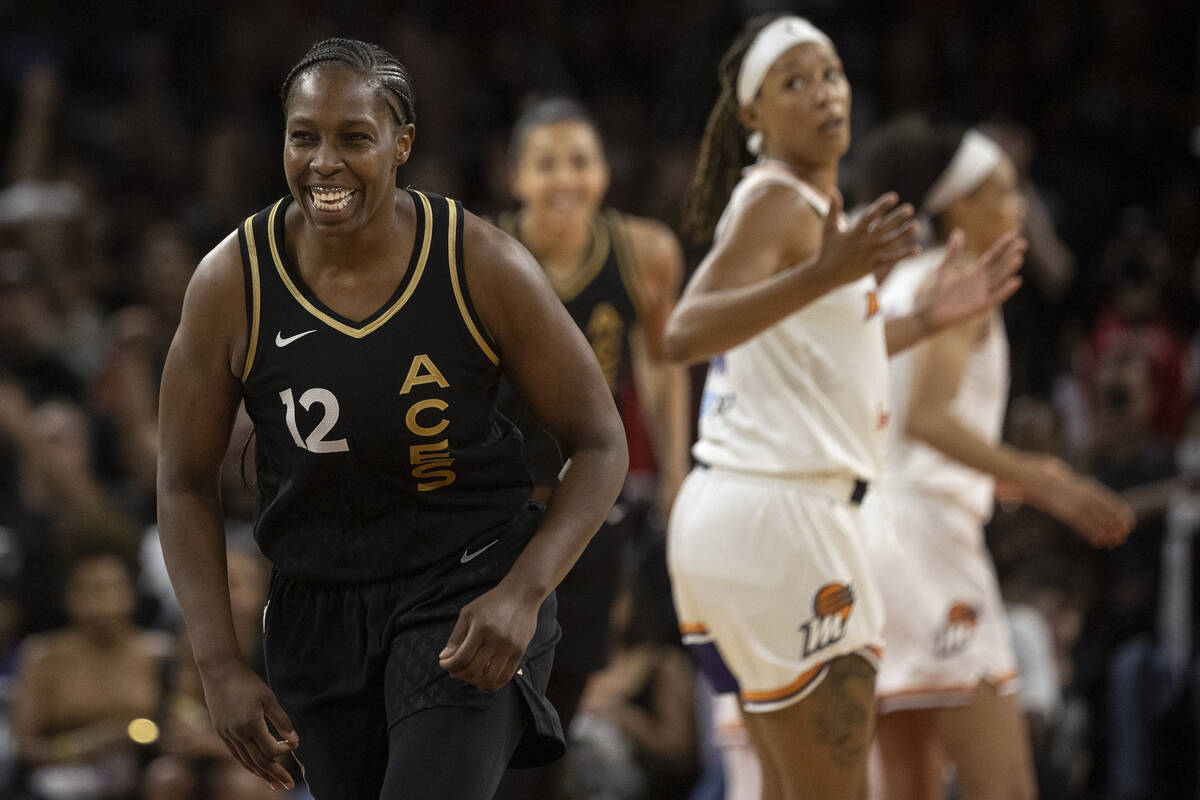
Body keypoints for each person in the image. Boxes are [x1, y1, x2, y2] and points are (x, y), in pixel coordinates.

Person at [155, 37, 628, 800]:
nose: (324, 163)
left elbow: (602, 443)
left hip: (466, 585)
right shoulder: (230, 283)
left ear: (402, 144)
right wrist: (219, 665)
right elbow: (181, 481)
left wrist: (523, 592)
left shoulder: (481, 262)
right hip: (317, 608)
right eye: (303, 136)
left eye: (354, 138)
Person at [661, 15, 1026, 799]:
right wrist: (829, 274)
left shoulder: (792, 208)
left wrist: (925, 319)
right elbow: (683, 332)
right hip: (786, 519)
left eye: (831, 73)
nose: (824, 93)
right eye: (795, 81)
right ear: (753, 113)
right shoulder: (782, 204)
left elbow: (817, 345)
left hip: (733, 514)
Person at [852, 118, 1135, 800]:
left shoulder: (895, 285)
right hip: (927, 543)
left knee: (907, 785)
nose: (1017, 205)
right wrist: (1041, 476)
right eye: (1002, 191)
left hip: (869, 539)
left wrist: (1016, 483)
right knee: (1004, 786)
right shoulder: (962, 287)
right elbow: (928, 420)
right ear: (955, 205)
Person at [491, 96, 689, 743]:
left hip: (588, 503)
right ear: (516, 177)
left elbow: (662, 364)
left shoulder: (644, 250)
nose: (565, 178)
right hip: (496, 507)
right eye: (546, 164)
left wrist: (678, 473)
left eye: (580, 161)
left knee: (568, 695)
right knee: (494, 688)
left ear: (603, 172)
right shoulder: (483, 251)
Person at [11, 548, 173, 800]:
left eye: (109, 588)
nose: (99, 603)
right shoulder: (42, 656)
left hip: (142, 776)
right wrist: (79, 746)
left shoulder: (160, 653)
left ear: (131, 592)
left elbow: (180, 727)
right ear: (67, 597)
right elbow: (24, 747)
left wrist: (132, 734)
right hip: (57, 780)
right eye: (86, 590)